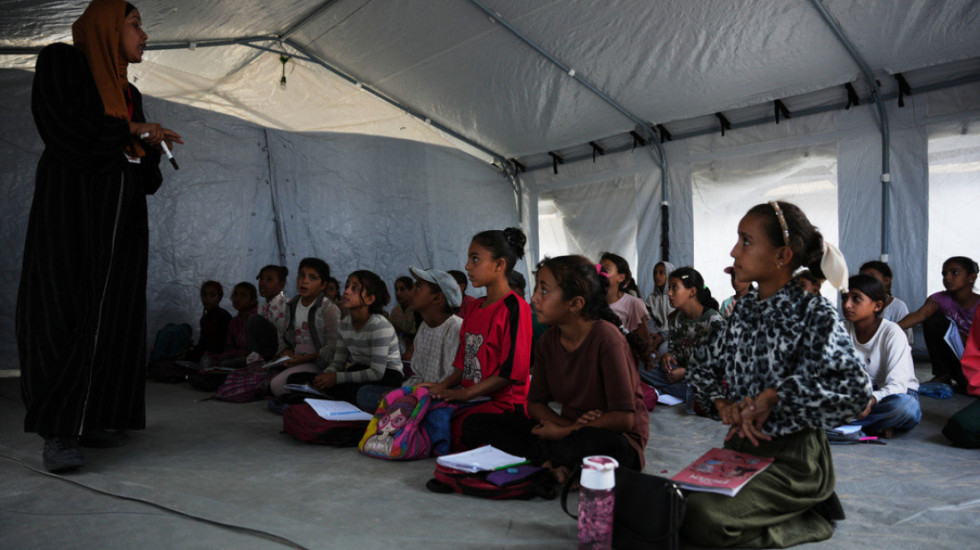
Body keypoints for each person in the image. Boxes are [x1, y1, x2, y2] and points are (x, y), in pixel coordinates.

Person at [17, 0, 183, 472]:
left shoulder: (128, 93)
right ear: (108, 28)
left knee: (114, 316)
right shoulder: (61, 63)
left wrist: (151, 145)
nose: (144, 36)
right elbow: (63, 129)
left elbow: (144, 177)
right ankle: (59, 431)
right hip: (72, 215)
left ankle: (95, 416)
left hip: (122, 222)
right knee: (66, 312)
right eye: (135, 25)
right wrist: (131, 130)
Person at [684, 201, 870, 548]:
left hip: (794, 461)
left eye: (746, 241)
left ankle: (810, 515)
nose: (734, 251)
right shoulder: (744, 311)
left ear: (783, 255)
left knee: (704, 519)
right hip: (742, 447)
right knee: (677, 507)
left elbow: (856, 392)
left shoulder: (814, 313)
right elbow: (700, 364)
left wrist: (776, 396)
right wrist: (723, 403)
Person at [461, 255, 649, 482]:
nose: (534, 298)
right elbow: (535, 405)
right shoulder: (548, 342)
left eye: (544, 290)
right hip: (565, 430)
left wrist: (564, 432)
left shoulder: (607, 339)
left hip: (613, 438)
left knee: (598, 443)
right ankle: (558, 463)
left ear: (575, 304)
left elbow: (624, 420)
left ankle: (552, 461)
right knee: (475, 424)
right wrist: (566, 427)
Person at [423, 228, 533, 451]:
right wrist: (441, 386)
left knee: (458, 427)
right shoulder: (473, 308)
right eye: (469, 259)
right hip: (473, 398)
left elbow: (511, 372)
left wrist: (462, 395)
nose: (467, 267)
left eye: (475, 259)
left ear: (499, 265)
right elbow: (464, 364)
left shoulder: (516, 308)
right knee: (423, 410)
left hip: (504, 404)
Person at [356, 267, 463, 411]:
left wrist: (404, 395)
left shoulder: (455, 327)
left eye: (418, 287)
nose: (411, 292)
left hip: (438, 398)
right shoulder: (425, 327)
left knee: (378, 399)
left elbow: (447, 381)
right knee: (365, 392)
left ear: (437, 298)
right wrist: (400, 392)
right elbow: (419, 376)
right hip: (419, 392)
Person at [842, 274, 920, 437]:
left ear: (877, 306)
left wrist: (870, 400)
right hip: (856, 395)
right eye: (844, 298)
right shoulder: (839, 329)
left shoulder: (892, 333)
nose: (847, 305)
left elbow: (898, 385)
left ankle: (844, 425)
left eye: (856, 299)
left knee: (907, 407)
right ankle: (874, 426)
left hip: (892, 395)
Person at [309, 270, 403, 405]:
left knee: (360, 394)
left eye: (355, 288)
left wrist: (336, 378)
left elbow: (376, 372)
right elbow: (337, 363)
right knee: (302, 379)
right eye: (347, 286)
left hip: (386, 376)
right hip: (361, 371)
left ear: (370, 299)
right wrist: (325, 377)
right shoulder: (345, 324)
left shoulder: (380, 325)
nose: (346, 291)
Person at [641, 267, 723, 410]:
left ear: (692, 291)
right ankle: (668, 391)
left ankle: (659, 391)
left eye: (675, 288)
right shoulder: (677, 319)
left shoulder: (713, 320)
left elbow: (720, 365)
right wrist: (668, 356)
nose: (669, 293)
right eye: (669, 288)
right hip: (678, 374)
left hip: (700, 378)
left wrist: (686, 373)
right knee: (640, 367)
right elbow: (676, 353)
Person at [898, 256, 979, 390]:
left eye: (955, 272)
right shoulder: (939, 298)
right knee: (933, 320)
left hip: (974, 359)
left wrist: (963, 340)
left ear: (972, 277)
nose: (947, 277)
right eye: (944, 274)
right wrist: (887, 328)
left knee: (968, 388)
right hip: (955, 356)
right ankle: (943, 374)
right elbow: (920, 315)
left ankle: (965, 378)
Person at [268, 258, 341, 397]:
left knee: (277, 386)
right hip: (295, 360)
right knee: (268, 378)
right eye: (301, 275)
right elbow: (285, 335)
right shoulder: (291, 305)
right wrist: (286, 351)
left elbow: (334, 346)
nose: (305, 281)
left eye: (312, 277)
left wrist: (303, 359)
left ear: (323, 285)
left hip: (319, 364)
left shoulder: (328, 309)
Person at [599, 252, 653, 357]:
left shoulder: (633, 303)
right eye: (599, 269)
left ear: (621, 278)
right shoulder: (592, 301)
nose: (600, 273)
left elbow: (643, 340)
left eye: (605, 270)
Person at [859, 260, 912, 343]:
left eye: (871, 278)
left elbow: (905, 340)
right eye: (862, 278)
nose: (866, 282)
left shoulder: (898, 306)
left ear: (886, 280)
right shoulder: (858, 305)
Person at [247, 264, 289, 360]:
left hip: (280, 352)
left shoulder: (288, 305)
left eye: (269, 280)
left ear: (281, 285)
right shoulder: (261, 306)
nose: (262, 283)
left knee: (254, 320)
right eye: (261, 279)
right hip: (261, 353)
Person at [185, 281, 232, 363]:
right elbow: (203, 343)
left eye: (212, 295)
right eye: (204, 295)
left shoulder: (224, 317)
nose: (207, 298)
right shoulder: (204, 319)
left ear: (219, 297)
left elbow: (221, 346)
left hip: (220, 358)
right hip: (206, 355)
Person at [644, 260, 676, 356]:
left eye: (661, 273)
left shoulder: (675, 297)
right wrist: (652, 336)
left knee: (663, 350)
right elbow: (649, 320)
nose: (657, 276)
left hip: (673, 335)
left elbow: (676, 323)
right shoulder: (652, 298)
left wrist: (663, 336)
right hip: (657, 333)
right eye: (655, 273)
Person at [389, 275, 417, 345]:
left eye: (402, 289)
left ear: (411, 291)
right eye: (396, 289)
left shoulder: (417, 310)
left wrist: (396, 328)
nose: (398, 293)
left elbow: (414, 337)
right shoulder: (396, 310)